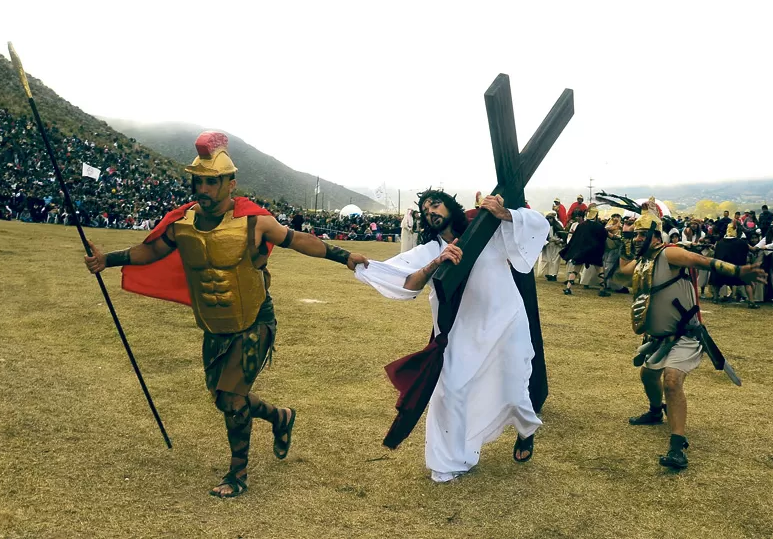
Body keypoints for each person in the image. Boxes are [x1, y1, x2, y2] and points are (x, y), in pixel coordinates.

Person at [83, 132, 368, 498]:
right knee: (223, 398)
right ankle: (280, 417)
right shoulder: (181, 223)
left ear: (230, 184)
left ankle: (238, 473)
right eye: (198, 180)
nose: (203, 187)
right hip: (214, 325)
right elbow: (149, 251)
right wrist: (108, 260)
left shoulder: (254, 222)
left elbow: (297, 239)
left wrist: (344, 256)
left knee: (232, 399)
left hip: (254, 321)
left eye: (212, 181)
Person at [354, 189, 546, 482]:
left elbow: (536, 225)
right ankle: (451, 461)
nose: (429, 210)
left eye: (435, 203)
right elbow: (405, 280)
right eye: (424, 208)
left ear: (451, 206)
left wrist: (504, 214)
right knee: (451, 390)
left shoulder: (485, 228)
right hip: (461, 330)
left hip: (505, 319)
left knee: (514, 386)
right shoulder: (430, 250)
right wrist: (436, 263)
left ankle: (525, 431)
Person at [613, 199, 765, 469]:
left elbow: (701, 260)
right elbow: (622, 273)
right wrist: (626, 239)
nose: (636, 238)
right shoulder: (642, 263)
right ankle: (654, 411)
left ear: (653, 235)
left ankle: (677, 445)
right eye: (633, 234)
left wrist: (738, 271)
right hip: (658, 339)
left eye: (640, 234)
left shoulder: (669, 254)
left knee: (672, 382)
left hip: (685, 335)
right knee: (648, 376)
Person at [537, 211, 566, 281]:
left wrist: (560, 241)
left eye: (551, 218)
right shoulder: (545, 227)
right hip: (548, 245)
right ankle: (549, 274)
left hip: (556, 246)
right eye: (548, 218)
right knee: (548, 260)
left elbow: (563, 236)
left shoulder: (558, 226)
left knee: (555, 260)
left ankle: (553, 274)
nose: (550, 220)